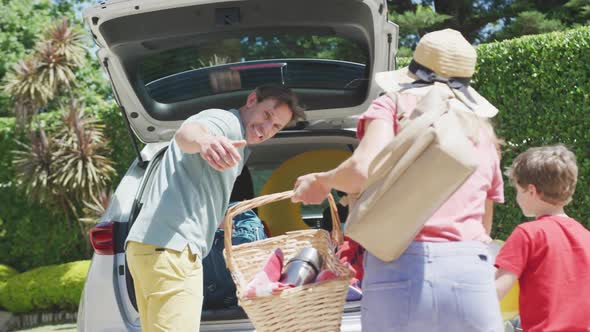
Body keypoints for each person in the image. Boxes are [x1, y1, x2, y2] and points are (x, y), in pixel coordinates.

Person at [292, 29, 505, 331]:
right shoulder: (482, 131)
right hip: (471, 269)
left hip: (400, 264)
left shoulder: (393, 105)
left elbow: (362, 171)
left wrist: (322, 181)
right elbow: (485, 223)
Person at [125, 84, 305, 331]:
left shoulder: (239, 147)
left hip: (146, 248)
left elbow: (205, 200)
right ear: (252, 100)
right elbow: (186, 134)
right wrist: (206, 140)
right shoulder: (226, 122)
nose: (266, 129)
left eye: (276, 127)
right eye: (267, 115)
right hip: (175, 252)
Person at [495, 144, 590, 332]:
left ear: (531, 190)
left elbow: (495, 291)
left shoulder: (527, 234)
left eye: (518, 191)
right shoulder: (586, 236)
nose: (516, 198)